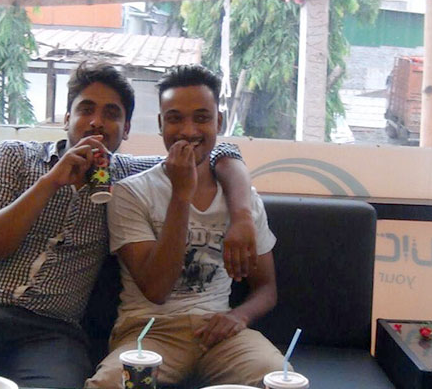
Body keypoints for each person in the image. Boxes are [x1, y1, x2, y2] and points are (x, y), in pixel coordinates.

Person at [0, 62, 259, 388]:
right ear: (67, 117)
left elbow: (217, 153)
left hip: (53, 330)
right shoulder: (12, 156)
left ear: (126, 129)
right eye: (86, 109)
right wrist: (51, 181)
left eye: (112, 114)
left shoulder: (127, 177)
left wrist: (243, 217)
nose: (96, 123)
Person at [85, 65, 286, 389]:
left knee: (278, 378)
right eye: (175, 118)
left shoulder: (244, 201)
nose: (188, 130)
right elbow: (156, 289)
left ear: (219, 122)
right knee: (110, 384)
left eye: (202, 118)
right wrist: (181, 194)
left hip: (219, 334)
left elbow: (266, 288)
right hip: (150, 331)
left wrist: (239, 316)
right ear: (161, 124)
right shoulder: (131, 193)